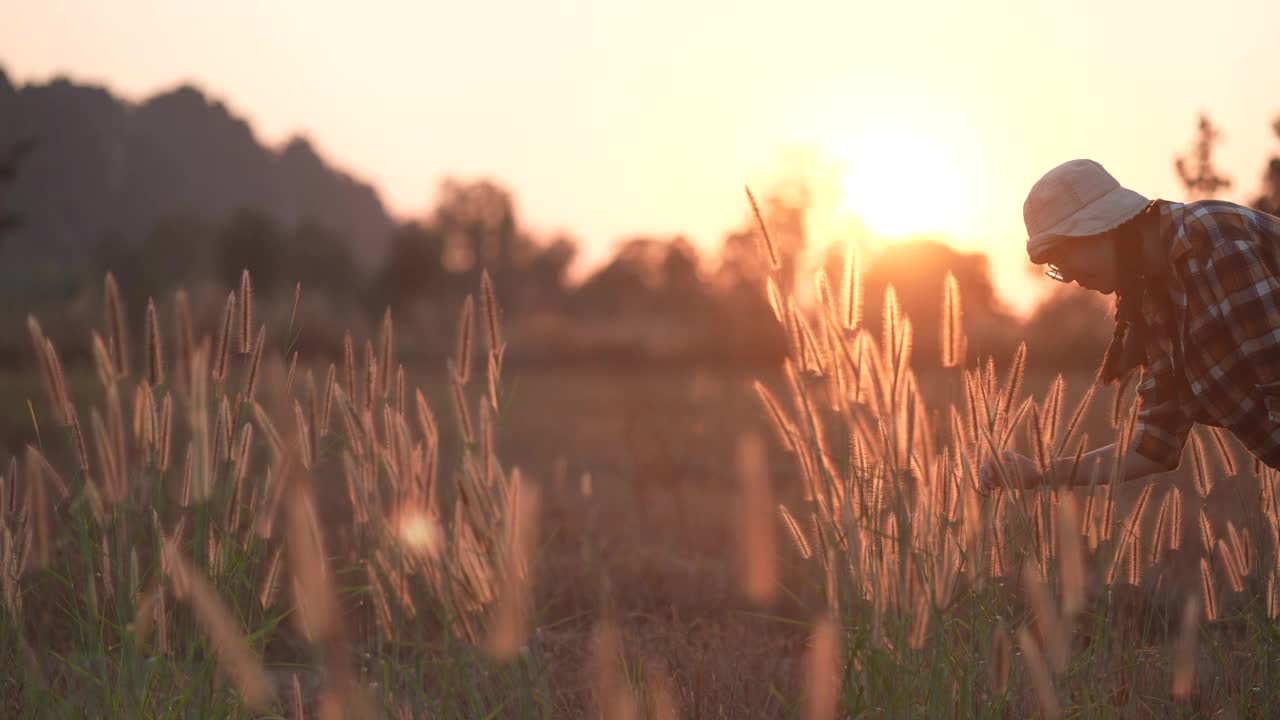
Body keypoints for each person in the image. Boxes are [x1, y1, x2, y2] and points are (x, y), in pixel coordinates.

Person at [979, 158, 1280, 493]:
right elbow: (1152, 448)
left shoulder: (1211, 240)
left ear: (1102, 228)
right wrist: (1040, 472)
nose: (1070, 277)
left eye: (1064, 257)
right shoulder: (1154, 302)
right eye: (1057, 268)